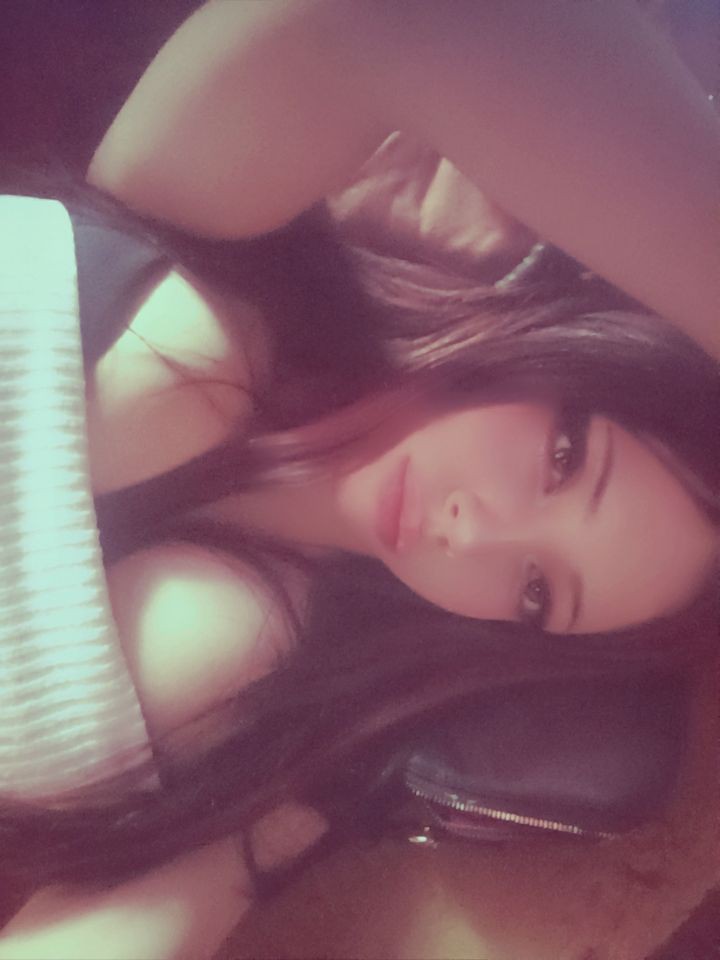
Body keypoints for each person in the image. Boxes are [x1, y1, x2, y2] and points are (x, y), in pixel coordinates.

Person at [0, 2, 719, 958]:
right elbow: (392, 20)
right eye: (564, 460)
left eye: (536, 592)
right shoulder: (229, 242)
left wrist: (287, 813)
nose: (472, 533)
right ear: (558, 361)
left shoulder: (283, 713)